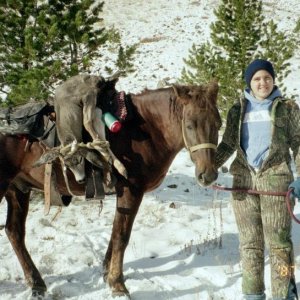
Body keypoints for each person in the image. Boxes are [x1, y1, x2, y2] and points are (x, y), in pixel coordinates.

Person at [216, 59, 300, 300]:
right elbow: (229, 144)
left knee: (280, 245)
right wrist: (209, 166)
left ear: (273, 80)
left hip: (276, 181)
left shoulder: (288, 108)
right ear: (249, 83)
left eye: (266, 77)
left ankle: (284, 295)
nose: (262, 82)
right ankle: (252, 295)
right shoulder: (237, 110)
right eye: (256, 78)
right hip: (243, 182)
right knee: (250, 244)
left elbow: (299, 143)